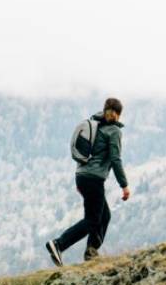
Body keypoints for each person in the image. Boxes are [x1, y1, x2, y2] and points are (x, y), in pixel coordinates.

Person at [46, 98, 130, 266]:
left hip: (82, 176)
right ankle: (59, 244)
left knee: (104, 216)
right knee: (92, 220)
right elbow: (115, 159)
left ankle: (91, 252)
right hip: (93, 179)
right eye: (114, 113)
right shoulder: (114, 131)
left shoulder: (95, 124)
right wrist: (124, 185)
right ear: (118, 115)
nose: (113, 116)